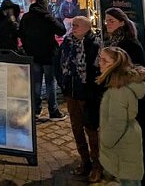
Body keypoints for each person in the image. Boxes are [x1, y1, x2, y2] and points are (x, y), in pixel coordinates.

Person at [104, 8, 145, 185]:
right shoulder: (116, 42)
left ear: (121, 22)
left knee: (143, 150)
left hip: (138, 103)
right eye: (106, 20)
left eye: (111, 20)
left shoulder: (128, 44)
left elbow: (141, 70)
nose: (107, 24)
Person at [57, 16, 103, 182]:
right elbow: (58, 63)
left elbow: (98, 70)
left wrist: (92, 91)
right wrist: (63, 84)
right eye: (72, 25)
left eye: (76, 25)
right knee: (76, 128)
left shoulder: (94, 44)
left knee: (91, 129)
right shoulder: (67, 42)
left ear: (86, 28)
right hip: (71, 92)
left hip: (87, 94)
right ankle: (85, 161)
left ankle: (97, 165)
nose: (73, 28)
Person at [97, 47, 145, 186]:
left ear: (115, 64)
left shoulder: (118, 90)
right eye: (100, 59)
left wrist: (105, 141)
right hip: (126, 141)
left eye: (105, 60)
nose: (100, 63)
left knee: (129, 180)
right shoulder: (120, 84)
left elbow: (117, 123)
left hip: (122, 145)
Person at [18, 0, 67, 121]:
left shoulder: (26, 17)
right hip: (48, 54)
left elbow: (20, 33)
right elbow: (61, 30)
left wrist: (27, 47)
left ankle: (36, 110)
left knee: (36, 83)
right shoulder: (47, 17)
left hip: (33, 54)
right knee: (50, 83)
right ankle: (53, 111)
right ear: (45, 5)